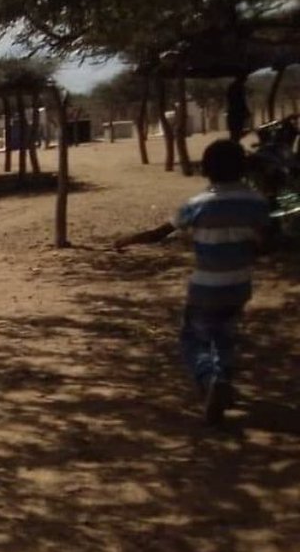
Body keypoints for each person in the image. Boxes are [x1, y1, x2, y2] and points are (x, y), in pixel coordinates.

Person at [114, 140, 271, 424]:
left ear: (206, 170)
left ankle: (208, 377)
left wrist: (129, 239)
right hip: (239, 286)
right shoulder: (256, 203)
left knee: (193, 337)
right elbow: (266, 241)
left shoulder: (197, 205)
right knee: (225, 335)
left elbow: (160, 233)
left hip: (205, 287)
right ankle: (222, 377)